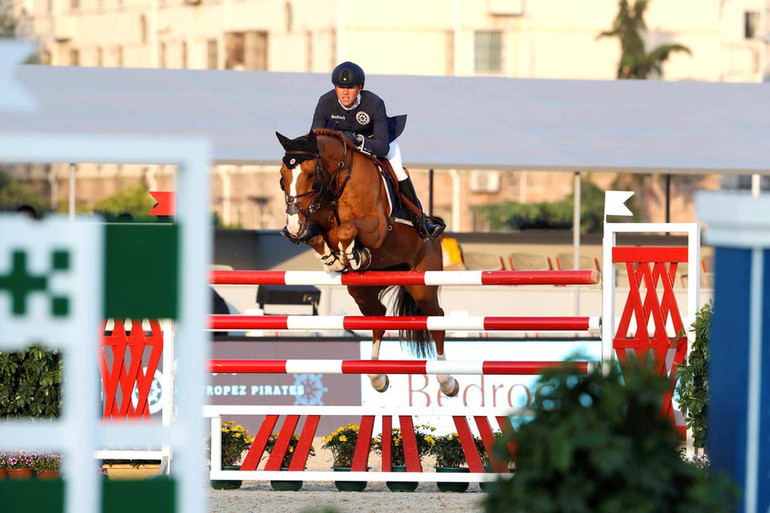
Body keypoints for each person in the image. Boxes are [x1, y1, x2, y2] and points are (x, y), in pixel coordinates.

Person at [309, 61, 445, 241]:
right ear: (335, 88)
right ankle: (307, 220)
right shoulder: (325, 102)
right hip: (341, 148)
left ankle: (420, 220)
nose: (345, 92)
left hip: (374, 142)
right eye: (341, 87)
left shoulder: (374, 103)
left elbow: (382, 146)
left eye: (350, 87)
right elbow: (315, 139)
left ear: (360, 87)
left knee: (397, 171)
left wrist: (358, 140)